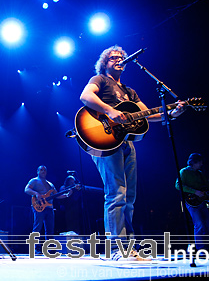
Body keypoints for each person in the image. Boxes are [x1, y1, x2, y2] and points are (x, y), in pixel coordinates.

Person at [79, 45, 185, 261]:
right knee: (116, 192)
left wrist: (171, 113)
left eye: (121, 58)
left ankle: (128, 248)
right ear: (104, 63)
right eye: (113, 58)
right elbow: (85, 96)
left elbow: (146, 115)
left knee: (129, 196)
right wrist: (110, 110)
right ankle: (116, 249)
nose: (118, 60)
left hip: (127, 142)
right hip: (106, 139)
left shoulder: (129, 92)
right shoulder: (100, 80)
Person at [25, 165, 68, 246]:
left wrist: (66, 195)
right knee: (37, 228)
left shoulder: (50, 184)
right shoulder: (34, 181)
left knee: (50, 230)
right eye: (41, 170)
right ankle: (36, 249)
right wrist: (36, 193)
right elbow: (26, 189)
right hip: (38, 207)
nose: (43, 171)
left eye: (45, 170)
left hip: (49, 208)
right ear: (37, 171)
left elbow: (57, 195)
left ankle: (50, 248)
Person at [176, 153, 209, 251]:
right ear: (194, 162)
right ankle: (201, 249)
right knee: (199, 224)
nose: (201, 164)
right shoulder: (184, 172)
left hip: (202, 202)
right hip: (191, 202)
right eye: (200, 162)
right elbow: (178, 185)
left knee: (207, 224)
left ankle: (205, 247)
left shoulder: (200, 173)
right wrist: (195, 192)